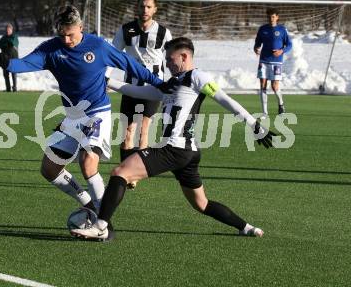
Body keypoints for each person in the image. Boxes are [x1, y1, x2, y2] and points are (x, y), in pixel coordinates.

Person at [71, 37, 277, 241]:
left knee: (120, 173)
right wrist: (109, 81)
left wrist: (254, 124)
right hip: (187, 153)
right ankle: (246, 227)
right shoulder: (173, 82)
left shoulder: (197, 77)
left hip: (174, 148)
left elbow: (225, 99)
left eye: (170, 59)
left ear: (185, 56)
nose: (167, 64)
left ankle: (100, 227)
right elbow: (142, 91)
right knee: (201, 204)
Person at [0, 6, 172, 235]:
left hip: (97, 112)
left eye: (71, 34)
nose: (66, 39)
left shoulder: (97, 46)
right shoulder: (51, 49)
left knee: (87, 162)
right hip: (73, 117)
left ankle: (103, 224)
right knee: (49, 168)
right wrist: (7, 62)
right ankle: (91, 205)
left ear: (81, 27)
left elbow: (131, 65)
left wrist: (158, 82)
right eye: (62, 34)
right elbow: (25, 64)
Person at [112, 0, 172, 187]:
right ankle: (124, 173)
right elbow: (112, 54)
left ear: (155, 9)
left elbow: (172, 58)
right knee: (128, 131)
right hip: (131, 87)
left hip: (153, 88)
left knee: (143, 130)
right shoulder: (125, 30)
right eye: (141, 6)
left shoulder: (164, 33)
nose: (144, 10)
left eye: (148, 7)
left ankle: (135, 175)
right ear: (136, 8)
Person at [254, 8, 292, 119]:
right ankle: (264, 112)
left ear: (277, 17)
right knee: (263, 85)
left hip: (276, 62)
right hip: (264, 61)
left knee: (275, 86)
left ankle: (281, 104)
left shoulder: (282, 29)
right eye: (269, 17)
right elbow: (257, 42)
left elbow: (289, 45)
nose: (271, 19)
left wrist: (281, 51)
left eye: (273, 16)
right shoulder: (263, 29)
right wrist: (256, 48)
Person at [0, 23, 19, 92]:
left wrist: (5, 43)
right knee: (6, 74)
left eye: (9, 30)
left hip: (13, 58)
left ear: (11, 30)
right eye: (7, 30)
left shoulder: (14, 36)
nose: (7, 31)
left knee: (13, 73)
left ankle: (14, 88)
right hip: (5, 58)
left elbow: (12, 43)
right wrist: (6, 43)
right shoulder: (4, 37)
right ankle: (8, 88)